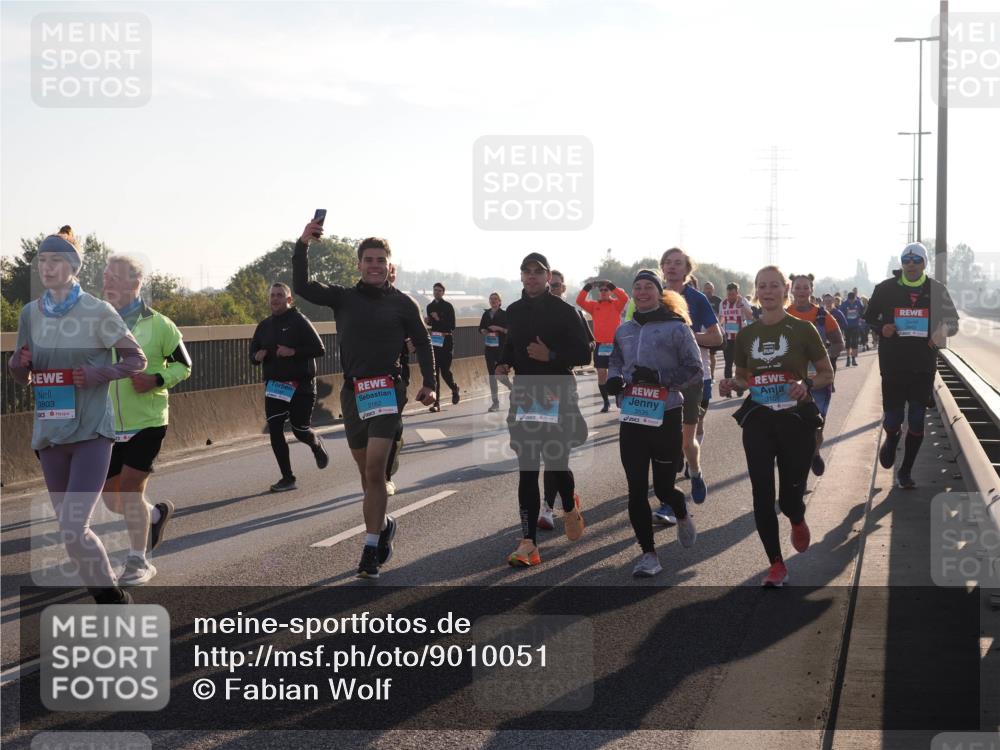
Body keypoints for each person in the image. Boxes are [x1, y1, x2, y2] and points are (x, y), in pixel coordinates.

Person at [8, 227, 147, 604]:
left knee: (74, 525)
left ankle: (114, 603)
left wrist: (99, 373)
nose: (47, 268)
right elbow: (22, 374)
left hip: (90, 433)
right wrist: (18, 364)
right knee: (70, 533)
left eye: (55, 261)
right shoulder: (29, 313)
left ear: (72, 267)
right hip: (51, 433)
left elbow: (137, 360)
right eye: (42, 261)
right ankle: (111, 600)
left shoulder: (97, 311)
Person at [293, 218, 436, 579]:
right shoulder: (344, 298)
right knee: (366, 476)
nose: (374, 265)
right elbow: (302, 286)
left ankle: (370, 549)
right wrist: (303, 244)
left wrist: (430, 383)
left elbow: (422, 341)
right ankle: (384, 523)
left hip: (388, 389)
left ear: (390, 266)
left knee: (374, 470)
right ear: (359, 264)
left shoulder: (403, 303)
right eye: (368, 259)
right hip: (353, 392)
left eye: (380, 260)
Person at [719, 265, 834, 587]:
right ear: (755, 291)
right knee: (762, 493)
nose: (767, 291)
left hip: (795, 420)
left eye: (773, 286)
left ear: (785, 290)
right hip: (759, 418)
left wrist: (806, 383)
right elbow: (744, 379)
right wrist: (732, 384)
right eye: (761, 286)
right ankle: (776, 564)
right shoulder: (746, 335)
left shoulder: (803, 330)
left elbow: (827, 373)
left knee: (789, 498)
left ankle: (796, 517)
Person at [101, 254, 192, 586]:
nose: (107, 282)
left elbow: (184, 365)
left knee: (128, 489)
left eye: (114, 277)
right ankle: (154, 515)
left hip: (148, 421)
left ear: (135, 283)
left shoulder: (159, 324)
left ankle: (139, 561)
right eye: (105, 277)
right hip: (107, 423)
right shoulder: (96, 321)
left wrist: (156, 379)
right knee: (112, 500)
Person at [606, 270, 703, 577]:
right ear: (632, 294)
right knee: (636, 489)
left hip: (666, 415)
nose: (643, 291)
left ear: (659, 293)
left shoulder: (677, 328)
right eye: (638, 287)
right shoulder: (624, 330)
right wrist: (614, 379)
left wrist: (660, 379)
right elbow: (615, 361)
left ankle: (681, 511)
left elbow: (695, 369)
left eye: (649, 287)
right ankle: (649, 555)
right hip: (633, 415)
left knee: (663, 488)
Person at [497, 252, 591, 566]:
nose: (532, 276)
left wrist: (550, 355)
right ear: (521, 276)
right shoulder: (513, 311)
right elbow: (512, 346)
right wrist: (504, 362)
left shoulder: (566, 311)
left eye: (538, 272)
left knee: (555, 465)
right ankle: (529, 544)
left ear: (548, 276)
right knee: (527, 470)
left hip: (557, 392)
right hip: (525, 394)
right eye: (527, 271)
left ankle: (570, 503)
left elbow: (583, 353)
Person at [864, 243, 959, 488]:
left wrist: (941, 332)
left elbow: (953, 322)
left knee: (916, 419)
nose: (911, 264)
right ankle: (891, 437)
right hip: (893, 364)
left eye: (916, 260)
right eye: (906, 260)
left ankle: (905, 471)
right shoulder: (885, 289)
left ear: (924, 263)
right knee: (894, 418)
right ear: (902, 263)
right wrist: (881, 328)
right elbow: (869, 317)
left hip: (923, 366)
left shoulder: (937, 290)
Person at [659, 247, 722, 511]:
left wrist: (687, 336)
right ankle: (667, 502)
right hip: (661, 378)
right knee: (666, 442)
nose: (672, 267)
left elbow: (717, 338)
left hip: (695, 376)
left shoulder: (697, 299)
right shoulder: (653, 296)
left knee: (686, 441)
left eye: (678, 263)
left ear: (687, 270)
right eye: (668, 263)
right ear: (662, 268)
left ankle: (694, 472)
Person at [250, 282, 329, 492]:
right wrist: (257, 356)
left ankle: (315, 444)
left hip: (301, 385)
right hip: (275, 386)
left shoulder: (299, 321)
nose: (275, 299)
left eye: (279, 295)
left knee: (299, 429)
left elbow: (319, 348)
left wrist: (293, 351)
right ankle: (288, 478)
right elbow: (253, 353)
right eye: (272, 295)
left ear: (288, 299)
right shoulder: (264, 326)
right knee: (275, 430)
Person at [538, 269, 594, 530]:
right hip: (535, 391)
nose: (554, 288)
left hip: (563, 388)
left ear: (564, 287)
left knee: (555, 454)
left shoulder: (574, 314)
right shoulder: (532, 315)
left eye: (558, 285)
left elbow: (587, 349)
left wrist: (553, 354)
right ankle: (562, 500)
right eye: (551, 284)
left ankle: (549, 507)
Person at [786, 274, 844, 477]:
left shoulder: (823, 316)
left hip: (818, 381)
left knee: (816, 425)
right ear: (791, 290)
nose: (801, 291)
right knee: (792, 427)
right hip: (790, 382)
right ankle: (798, 466)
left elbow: (838, 343)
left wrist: (823, 357)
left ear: (811, 290)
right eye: (798, 287)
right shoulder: (784, 314)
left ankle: (815, 452)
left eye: (805, 288)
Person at [576, 279, 629, 413]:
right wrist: (588, 287)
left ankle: (620, 397)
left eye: (606, 289)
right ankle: (606, 402)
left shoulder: (616, 304)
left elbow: (624, 297)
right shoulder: (594, 306)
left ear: (610, 291)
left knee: (620, 373)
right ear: (599, 293)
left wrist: (611, 285)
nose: (604, 292)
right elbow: (580, 301)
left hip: (615, 344)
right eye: (602, 290)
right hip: (601, 345)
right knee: (601, 373)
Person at [385, 264, 412, 496]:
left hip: (398, 376)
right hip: (367, 379)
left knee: (393, 426)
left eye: (391, 272)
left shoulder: (404, 304)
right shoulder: (362, 302)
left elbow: (418, 340)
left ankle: (386, 475)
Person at [425, 283, 460, 412]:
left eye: (439, 291)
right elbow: (432, 324)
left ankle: (454, 388)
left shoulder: (448, 306)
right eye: (435, 290)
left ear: (443, 292)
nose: (437, 292)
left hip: (446, 340)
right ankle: (436, 403)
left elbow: (452, 325)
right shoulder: (430, 306)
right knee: (436, 372)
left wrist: (437, 318)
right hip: (435, 340)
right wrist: (428, 321)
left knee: (445, 371)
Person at [479, 292, 511, 412]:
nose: (493, 301)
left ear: (499, 301)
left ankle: (512, 387)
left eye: (495, 299)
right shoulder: (486, 314)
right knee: (492, 376)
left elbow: (509, 331)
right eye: (491, 299)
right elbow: (480, 328)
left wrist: (498, 329)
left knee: (501, 376)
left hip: (501, 349)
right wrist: (484, 331)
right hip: (489, 349)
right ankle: (495, 403)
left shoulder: (505, 314)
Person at [719, 282, 754, 380]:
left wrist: (743, 306)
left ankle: (740, 384)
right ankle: (728, 388)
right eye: (729, 294)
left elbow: (750, 316)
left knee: (740, 363)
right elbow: (721, 318)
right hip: (728, 337)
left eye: (733, 294)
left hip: (740, 338)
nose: (730, 297)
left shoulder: (743, 301)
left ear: (737, 293)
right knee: (728, 363)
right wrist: (719, 325)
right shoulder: (723, 303)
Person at [839, 291, 866, 366]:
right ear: (848, 299)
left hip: (856, 325)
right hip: (847, 326)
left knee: (855, 342)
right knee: (848, 342)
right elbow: (841, 314)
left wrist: (860, 317)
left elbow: (863, 310)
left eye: (853, 300)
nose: (851, 301)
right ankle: (848, 359)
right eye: (850, 300)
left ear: (855, 298)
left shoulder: (858, 302)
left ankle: (853, 359)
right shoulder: (844, 304)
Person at [703, 281, 723, 379]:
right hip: (702, 330)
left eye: (710, 288)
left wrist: (718, 325)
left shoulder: (717, 300)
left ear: (713, 289)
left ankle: (711, 375)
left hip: (714, 329)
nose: (708, 290)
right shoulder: (701, 298)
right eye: (707, 288)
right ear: (704, 289)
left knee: (711, 354)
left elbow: (722, 315)